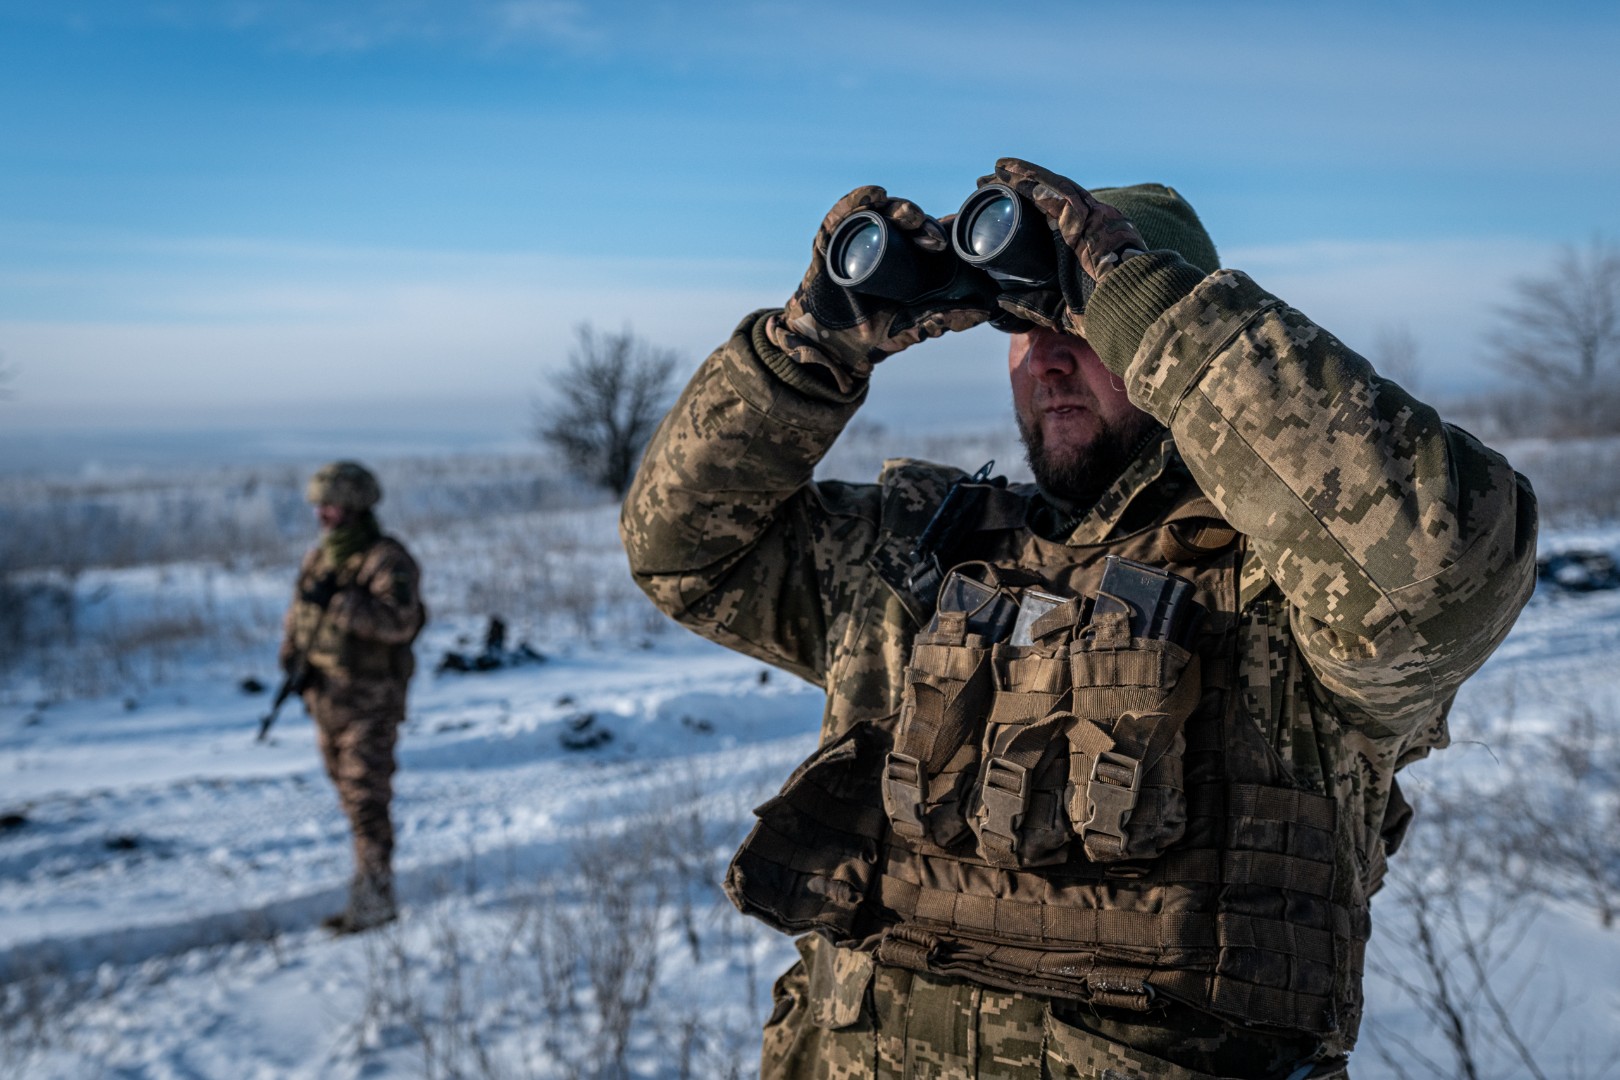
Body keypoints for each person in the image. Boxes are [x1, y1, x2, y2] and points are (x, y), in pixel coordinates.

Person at [621, 159, 1538, 1078]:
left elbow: (1441, 563)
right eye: (1018, 327)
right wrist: (806, 353)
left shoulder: (1295, 589)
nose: (1048, 356)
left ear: (1160, 337)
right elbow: (683, 551)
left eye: (1084, 326)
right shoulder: (918, 557)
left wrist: (1153, 307)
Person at [281, 460, 426, 934]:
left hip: (371, 704)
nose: (323, 515)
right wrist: (292, 659)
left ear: (357, 507)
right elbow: (299, 613)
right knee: (349, 800)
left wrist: (342, 604)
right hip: (326, 701)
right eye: (320, 507)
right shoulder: (319, 558)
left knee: (367, 803)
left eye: (333, 506)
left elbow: (402, 621)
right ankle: (370, 889)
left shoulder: (385, 559)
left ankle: (374, 901)